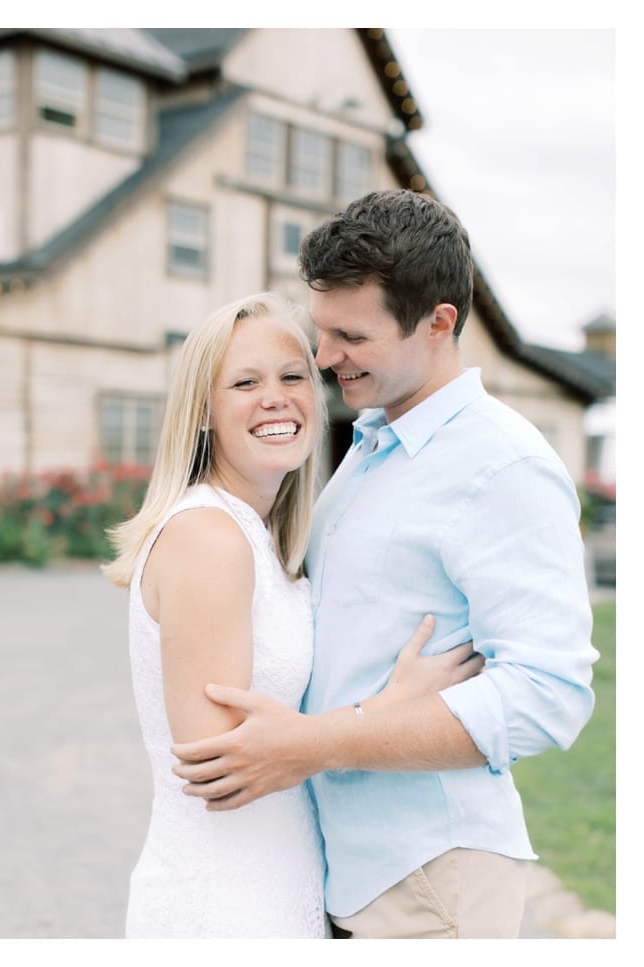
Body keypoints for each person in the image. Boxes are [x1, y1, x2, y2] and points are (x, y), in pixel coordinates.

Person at [170, 189, 599, 939]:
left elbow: (549, 691)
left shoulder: (501, 466)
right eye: (321, 330)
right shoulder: (369, 445)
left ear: (439, 323)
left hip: (432, 879)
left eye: (351, 335)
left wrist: (322, 740)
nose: (324, 356)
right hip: (346, 872)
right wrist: (368, 712)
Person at [102, 291, 481, 938]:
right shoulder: (209, 538)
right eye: (245, 382)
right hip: (223, 903)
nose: (275, 397)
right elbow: (218, 766)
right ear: (202, 411)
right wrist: (393, 709)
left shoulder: (259, 539)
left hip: (279, 885)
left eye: (292, 376)